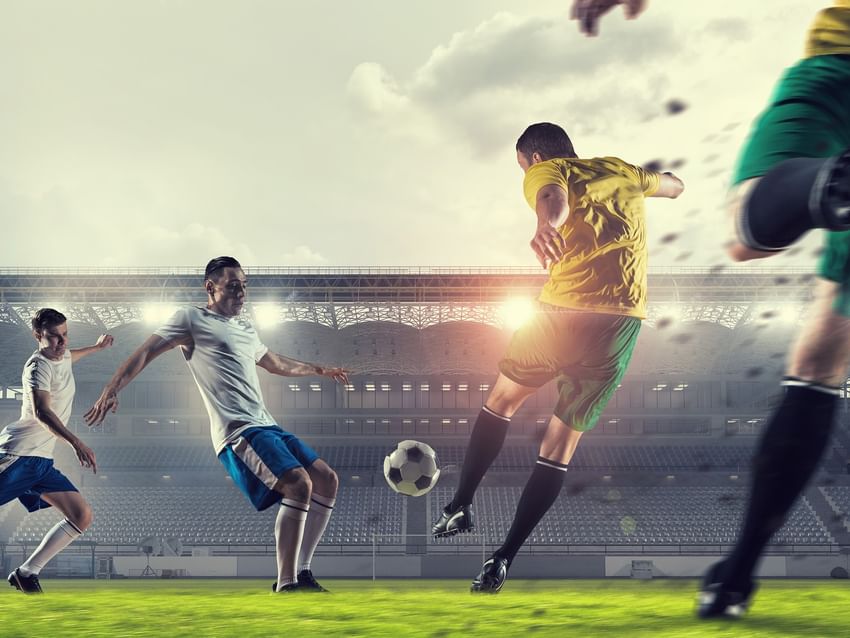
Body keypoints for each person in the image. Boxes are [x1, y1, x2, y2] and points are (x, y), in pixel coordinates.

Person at [570, 0, 850, 619]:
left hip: (837, 66)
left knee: (749, 235)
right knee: (828, 346)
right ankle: (739, 573)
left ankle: (822, 184)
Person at [431, 122, 683, 593]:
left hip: (564, 312)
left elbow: (552, 196)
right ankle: (502, 558)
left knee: (502, 402)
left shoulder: (547, 169)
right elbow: (673, 185)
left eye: (522, 166)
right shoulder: (623, 171)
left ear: (530, 157)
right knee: (559, 446)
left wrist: (547, 223)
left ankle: (460, 503)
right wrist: (664, 182)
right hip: (621, 323)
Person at [84, 256, 350, 593]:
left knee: (327, 479)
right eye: (233, 286)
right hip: (238, 429)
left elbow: (274, 362)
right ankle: (287, 583)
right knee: (299, 484)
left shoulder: (245, 329)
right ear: (210, 288)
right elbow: (145, 352)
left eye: (244, 286)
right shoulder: (191, 319)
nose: (241, 293)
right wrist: (112, 387)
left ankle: (304, 572)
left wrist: (317, 369)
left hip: (267, 423)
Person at [1, 308, 113, 594]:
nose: (61, 343)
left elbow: (72, 355)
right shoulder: (37, 367)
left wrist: (98, 348)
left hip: (41, 462)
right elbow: (42, 412)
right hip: (19, 455)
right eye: (53, 337)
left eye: (65, 335)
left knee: (81, 515)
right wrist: (77, 443)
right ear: (38, 336)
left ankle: (27, 572)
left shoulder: (62, 355)